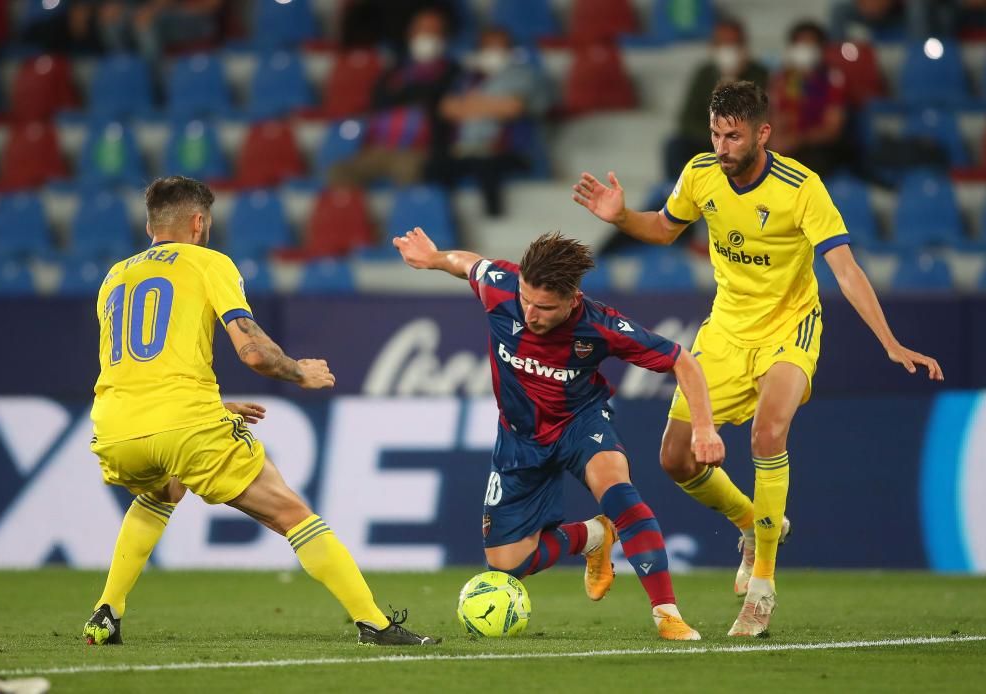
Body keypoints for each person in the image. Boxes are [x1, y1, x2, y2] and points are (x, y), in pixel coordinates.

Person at [572, 80, 943, 637]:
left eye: (734, 135)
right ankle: (752, 523)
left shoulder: (801, 187)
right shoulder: (700, 173)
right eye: (716, 133)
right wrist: (622, 216)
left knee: (767, 436)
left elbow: (844, 268)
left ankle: (762, 589)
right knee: (676, 460)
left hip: (791, 328)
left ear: (762, 133)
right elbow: (666, 229)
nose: (722, 145)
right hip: (725, 330)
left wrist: (888, 341)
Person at [83, 176, 439, 647]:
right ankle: (374, 622)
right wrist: (298, 372)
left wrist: (214, 406)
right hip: (184, 425)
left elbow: (138, 367)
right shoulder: (209, 262)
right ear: (198, 222)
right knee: (291, 512)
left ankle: (106, 612)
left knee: (162, 492)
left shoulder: (115, 276)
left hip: (115, 429)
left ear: (151, 223)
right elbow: (253, 352)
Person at [394, 228, 725, 641]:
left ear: (572, 300)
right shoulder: (500, 287)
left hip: (580, 423)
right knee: (508, 566)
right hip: (519, 439)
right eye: (526, 300)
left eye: (544, 307)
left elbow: (682, 360)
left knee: (619, 492)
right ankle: (593, 535)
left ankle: (667, 613)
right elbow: (467, 263)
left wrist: (704, 427)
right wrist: (434, 256)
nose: (530, 314)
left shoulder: (600, 326)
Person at [425, 26, 552, 217]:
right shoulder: (468, 77)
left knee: (485, 165)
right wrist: (492, 106)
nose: (492, 52)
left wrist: (469, 106)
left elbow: (513, 108)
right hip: (465, 148)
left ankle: (496, 220)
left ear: (510, 49)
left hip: (508, 150)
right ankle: (440, 221)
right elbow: (447, 108)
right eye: (487, 47)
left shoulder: (524, 75)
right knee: (434, 167)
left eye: (498, 47)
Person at [326, 8, 460, 187]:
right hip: (379, 148)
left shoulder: (452, 71)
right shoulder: (396, 70)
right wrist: (413, 94)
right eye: (421, 30)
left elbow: (437, 100)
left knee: (408, 174)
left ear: (444, 37)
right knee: (339, 171)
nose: (426, 37)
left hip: (418, 151)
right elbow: (380, 99)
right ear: (411, 34)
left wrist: (405, 93)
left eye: (432, 31)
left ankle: (407, 214)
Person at [666, 16, 768, 176]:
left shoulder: (760, 74)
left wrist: (734, 80)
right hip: (706, 139)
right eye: (722, 44)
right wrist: (716, 134)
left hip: (743, 140)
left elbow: (760, 114)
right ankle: (679, 189)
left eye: (733, 44)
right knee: (675, 145)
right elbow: (686, 119)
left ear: (743, 47)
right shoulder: (704, 74)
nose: (727, 50)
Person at [767, 21, 848, 177]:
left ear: (821, 50)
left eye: (809, 45)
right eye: (800, 44)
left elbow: (832, 130)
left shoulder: (832, 79)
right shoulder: (782, 79)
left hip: (817, 147)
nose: (804, 50)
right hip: (786, 145)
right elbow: (774, 118)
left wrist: (798, 139)